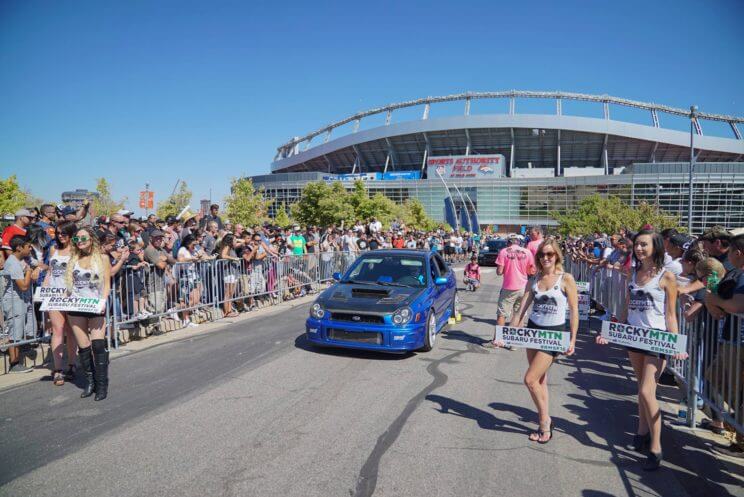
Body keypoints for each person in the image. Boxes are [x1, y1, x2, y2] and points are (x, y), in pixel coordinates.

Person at [596, 230, 683, 471]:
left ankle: (656, 446)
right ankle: (642, 431)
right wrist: (612, 331)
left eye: (644, 245)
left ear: (655, 247)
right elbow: (627, 306)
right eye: (637, 245)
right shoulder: (633, 273)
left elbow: (670, 315)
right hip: (633, 336)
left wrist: (675, 344)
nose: (639, 249)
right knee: (641, 388)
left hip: (656, 340)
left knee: (647, 390)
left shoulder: (667, 277)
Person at [504, 239, 579, 443]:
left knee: (529, 379)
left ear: (557, 256)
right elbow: (520, 311)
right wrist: (506, 334)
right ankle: (544, 420)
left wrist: (572, 339)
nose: (546, 258)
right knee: (540, 380)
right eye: (542, 255)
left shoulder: (566, 279)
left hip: (553, 336)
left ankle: (545, 423)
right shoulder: (534, 280)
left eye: (550, 254)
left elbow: (574, 311)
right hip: (533, 332)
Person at [65, 227, 112, 400]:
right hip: (76, 306)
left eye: (83, 238)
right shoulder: (73, 259)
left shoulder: (103, 258)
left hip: (95, 306)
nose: (80, 241)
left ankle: (102, 385)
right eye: (77, 239)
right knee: (84, 347)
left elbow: (106, 283)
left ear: (91, 238)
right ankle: (90, 382)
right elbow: (70, 285)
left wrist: (104, 301)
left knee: (98, 345)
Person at [43, 222, 78, 385]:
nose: (60, 235)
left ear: (71, 233)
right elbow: (50, 271)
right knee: (57, 330)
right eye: (58, 233)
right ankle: (57, 370)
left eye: (64, 233)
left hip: (72, 296)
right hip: (54, 296)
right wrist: (44, 287)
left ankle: (72, 365)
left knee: (71, 332)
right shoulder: (53, 249)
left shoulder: (78, 251)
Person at [489, 234, 536, 349]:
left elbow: (499, 272)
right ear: (519, 242)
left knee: (502, 314)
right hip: (524, 287)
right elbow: (531, 271)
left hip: (509, 287)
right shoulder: (527, 252)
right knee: (519, 314)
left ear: (509, 242)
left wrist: (506, 268)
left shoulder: (504, 252)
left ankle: (498, 341)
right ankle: (514, 343)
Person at [2, 236, 40, 373]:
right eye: (28, 246)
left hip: (23, 300)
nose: (30, 249)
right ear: (19, 247)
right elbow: (23, 286)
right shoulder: (12, 263)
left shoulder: (23, 259)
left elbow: (41, 265)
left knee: (26, 330)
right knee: (15, 332)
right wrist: (29, 271)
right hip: (14, 301)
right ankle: (14, 363)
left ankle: (20, 354)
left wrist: (35, 269)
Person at [218, 234, 241, 318]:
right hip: (228, 272)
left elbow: (242, 242)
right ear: (230, 240)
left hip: (233, 272)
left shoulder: (231, 247)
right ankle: (227, 312)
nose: (236, 241)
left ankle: (229, 310)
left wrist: (237, 240)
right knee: (228, 293)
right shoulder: (227, 246)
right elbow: (223, 255)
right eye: (234, 240)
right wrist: (233, 258)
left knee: (231, 293)